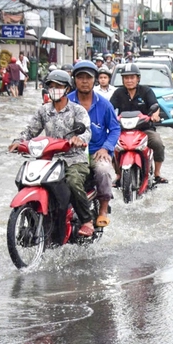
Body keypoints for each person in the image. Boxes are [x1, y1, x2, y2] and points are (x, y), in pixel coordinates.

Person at [10, 70, 95, 238]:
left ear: (67, 89)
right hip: (49, 160)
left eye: (59, 86)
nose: (54, 89)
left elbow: (86, 131)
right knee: (25, 179)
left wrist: (79, 138)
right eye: (51, 86)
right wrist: (18, 141)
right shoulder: (43, 111)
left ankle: (87, 220)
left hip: (74, 159)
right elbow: (30, 131)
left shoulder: (77, 110)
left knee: (72, 181)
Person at [70, 61, 120, 228]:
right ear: (74, 80)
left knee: (103, 170)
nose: (84, 81)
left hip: (96, 151)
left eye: (88, 78)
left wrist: (106, 147)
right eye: (80, 77)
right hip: (71, 153)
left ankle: (103, 210)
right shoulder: (66, 102)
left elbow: (114, 129)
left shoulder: (104, 104)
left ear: (95, 80)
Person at [110, 63, 167, 184]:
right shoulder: (118, 93)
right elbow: (109, 109)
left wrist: (155, 115)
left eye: (132, 77)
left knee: (157, 143)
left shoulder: (146, 91)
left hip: (144, 129)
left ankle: (157, 174)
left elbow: (155, 106)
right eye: (126, 77)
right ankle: (118, 175)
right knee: (110, 145)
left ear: (138, 78)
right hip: (123, 130)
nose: (129, 80)